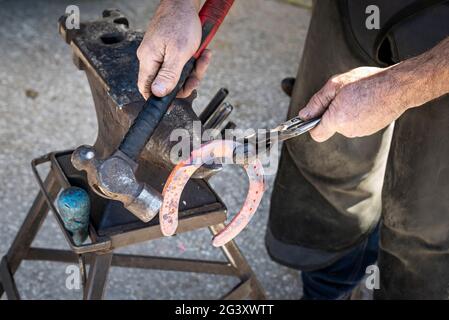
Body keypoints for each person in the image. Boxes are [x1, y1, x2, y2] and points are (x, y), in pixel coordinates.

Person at [136, 0, 449, 299]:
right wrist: (178, 6)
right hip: (351, 10)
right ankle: (330, 289)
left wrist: (402, 86)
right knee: (326, 162)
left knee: (424, 223)